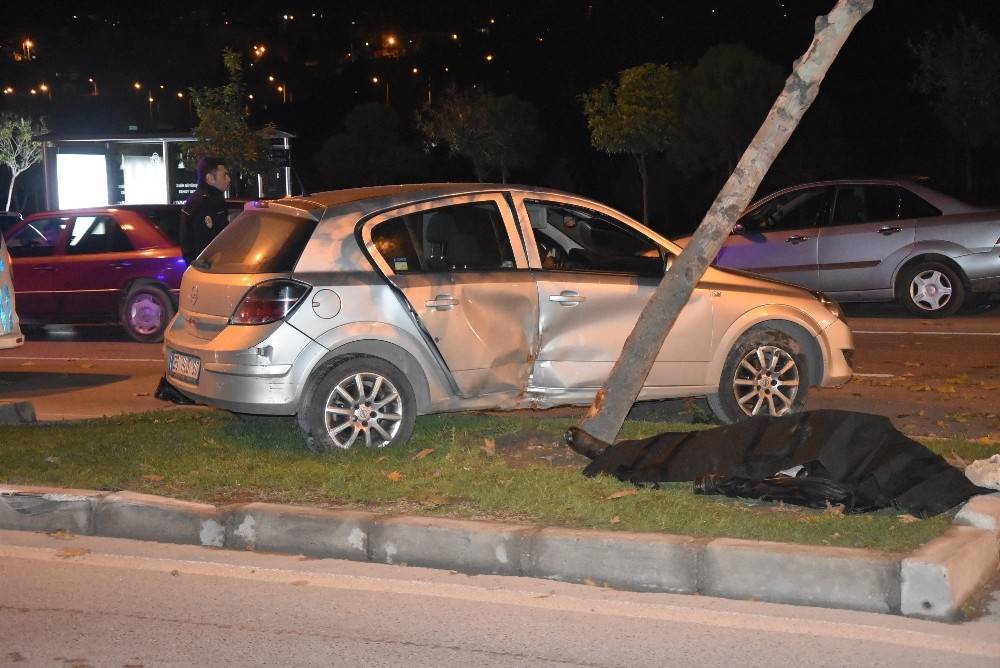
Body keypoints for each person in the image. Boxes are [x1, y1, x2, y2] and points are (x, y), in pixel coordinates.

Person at [179, 156, 231, 264]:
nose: (228, 179)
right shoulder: (203, 203)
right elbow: (204, 243)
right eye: (224, 175)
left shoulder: (214, 200)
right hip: (207, 269)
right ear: (210, 178)